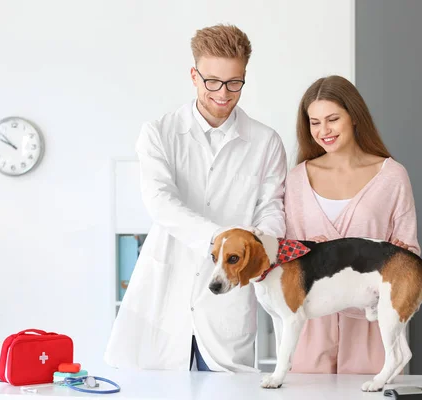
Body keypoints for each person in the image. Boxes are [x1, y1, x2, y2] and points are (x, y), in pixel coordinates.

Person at [104, 24, 287, 373]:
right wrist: (219, 240)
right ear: (194, 75)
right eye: (212, 82)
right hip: (165, 291)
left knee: (225, 391)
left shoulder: (266, 142)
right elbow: (160, 201)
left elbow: (271, 210)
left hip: (228, 300)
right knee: (153, 388)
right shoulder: (159, 133)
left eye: (234, 82)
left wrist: (255, 246)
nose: (223, 93)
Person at [284, 75, 421, 374]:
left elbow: (410, 254)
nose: (324, 131)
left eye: (332, 119)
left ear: (354, 117)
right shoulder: (295, 179)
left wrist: (401, 256)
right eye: (315, 122)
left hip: (371, 325)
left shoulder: (392, 176)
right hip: (311, 325)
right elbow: (287, 256)